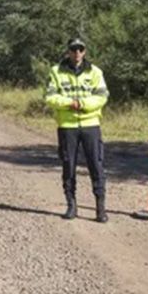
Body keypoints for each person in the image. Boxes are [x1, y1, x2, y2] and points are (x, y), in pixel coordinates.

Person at [43, 37, 110, 222]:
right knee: (68, 165)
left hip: (91, 125)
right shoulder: (56, 71)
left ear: (85, 51)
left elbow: (102, 96)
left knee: (96, 165)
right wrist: (69, 103)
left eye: (80, 49)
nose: (77, 53)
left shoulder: (95, 72)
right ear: (68, 51)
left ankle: (100, 208)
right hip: (67, 126)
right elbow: (50, 96)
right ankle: (71, 205)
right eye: (74, 49)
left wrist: (82, 104)